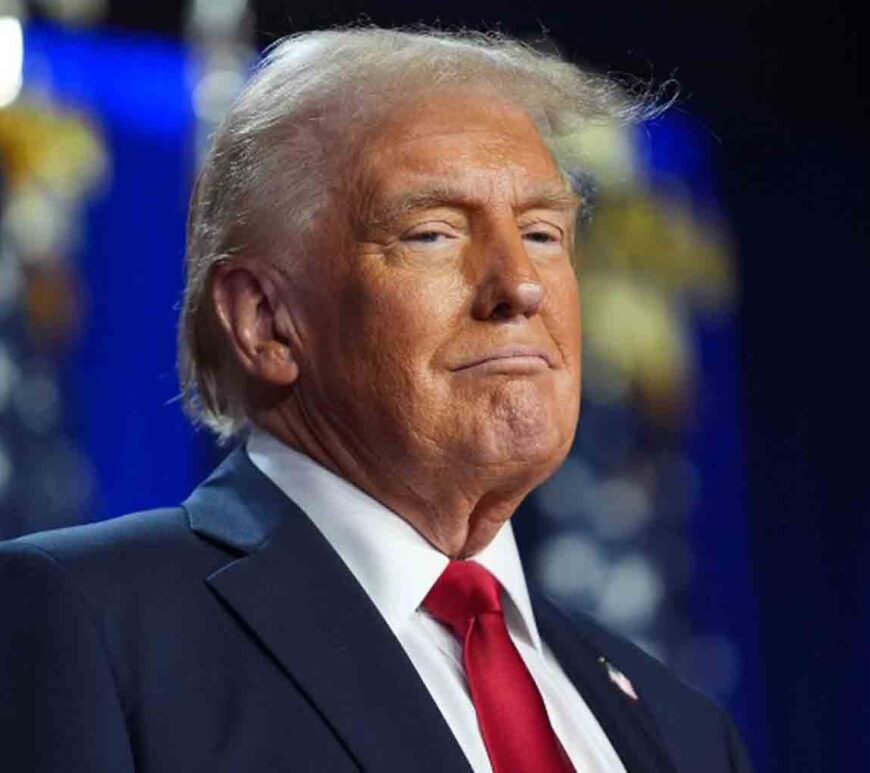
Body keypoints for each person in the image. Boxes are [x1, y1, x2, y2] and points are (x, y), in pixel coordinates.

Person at [0, 28, 751, 772]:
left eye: (544, 233)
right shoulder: (86, 626)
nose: (520, 285)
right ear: (266, 321)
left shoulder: (681, 729)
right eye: (432, 233)